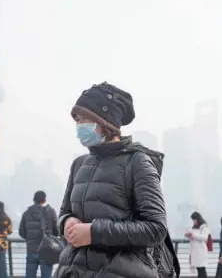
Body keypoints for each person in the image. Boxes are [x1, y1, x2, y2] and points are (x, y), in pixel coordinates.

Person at [54, 82, 180, 278]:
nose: (79, 126)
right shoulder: (79, 164)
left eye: (85, 119)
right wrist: (67, 222)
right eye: (77, 120)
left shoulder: (137, 162)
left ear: (106, 122)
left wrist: (94, 232)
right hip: (72, 271)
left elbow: (156, 229)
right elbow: (64, 212)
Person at [19, 191, 58, 278]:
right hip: (46, 251)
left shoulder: (26, 213)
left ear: (34, 200)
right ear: (44, 200)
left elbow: (21, 232)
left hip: (31, 250)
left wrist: (30, 239)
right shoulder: (51, 212)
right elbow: (57, 231)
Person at [185, 212, 210, 278]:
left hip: (201, 252)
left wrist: (193, 235)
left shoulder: (204, 227)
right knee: (199, 270)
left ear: (198, 219)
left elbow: (204, 237)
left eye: (194, 220)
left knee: (202, 269)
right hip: (195, 252)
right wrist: (189, 235)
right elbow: (195, 237)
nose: (193, 221)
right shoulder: (195, 227)